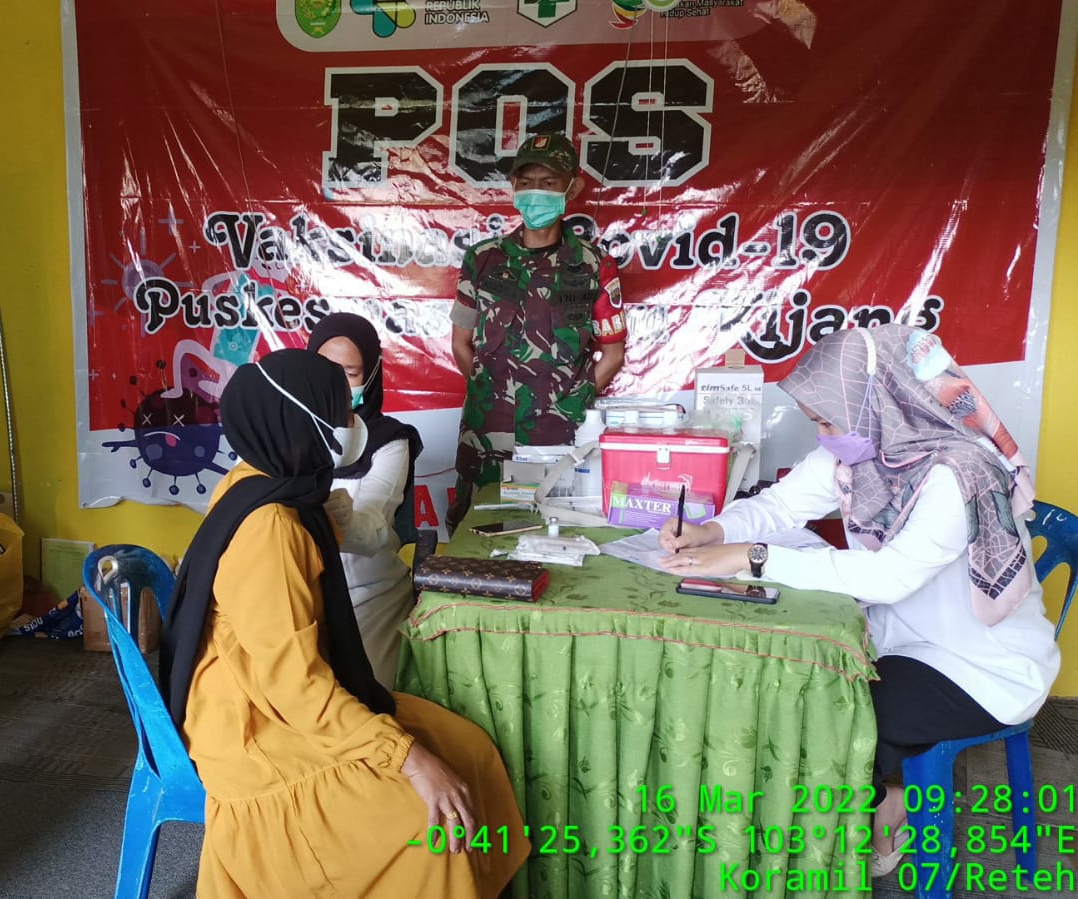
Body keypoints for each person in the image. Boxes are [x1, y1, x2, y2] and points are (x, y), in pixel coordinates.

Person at [657, 324, 1060, 875]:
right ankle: (868, 804)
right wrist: (712, 531)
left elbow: (889, 576)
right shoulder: (864, 449)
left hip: (981, 666)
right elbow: (779, 506)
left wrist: (753, 557)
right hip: (899, 642)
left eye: (828, 420)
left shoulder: (958, 474)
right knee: (796, 690)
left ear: (882, 400)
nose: (823, 435)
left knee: (834, 714)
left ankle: (870, 818)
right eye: (817, 422)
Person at [161, 350, 529, 898]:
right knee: (427, 828)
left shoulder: (270, 481)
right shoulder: (270, 529)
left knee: (468, 748)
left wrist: (329, 520)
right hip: (257, 728)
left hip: (284, 697)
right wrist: (405, 758)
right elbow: (295, 687)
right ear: (299, 421)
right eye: (339, 412)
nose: (352, 423)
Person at [447, 131, 628, 529]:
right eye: (527, 182)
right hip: (487, 437)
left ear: (572, 188)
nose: (536, 192)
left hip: (558, 441)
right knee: (474, 535)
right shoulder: (482, 259)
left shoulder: (594, 265)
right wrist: (491, 392)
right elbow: (461, 342)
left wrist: (570, 403)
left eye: (548, 182)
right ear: (513, 185)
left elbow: (613, 353)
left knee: (554, 533)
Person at [308, 313, 425, 688]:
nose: (335, 384)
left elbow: (373, 530)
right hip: (296, 593)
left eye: (350, 373)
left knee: (360, 695)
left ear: (371, 375)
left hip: (369, 595)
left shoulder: (391, 441)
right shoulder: (287, 431)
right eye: (324, 369)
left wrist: (330, 511)